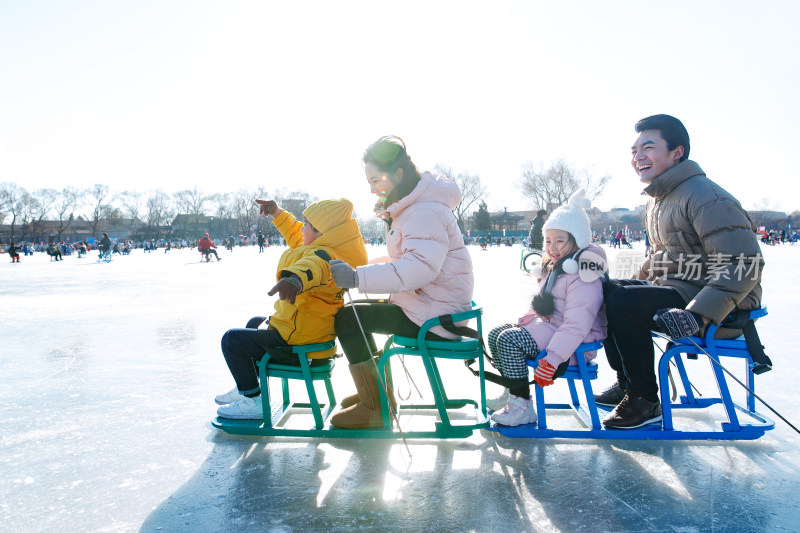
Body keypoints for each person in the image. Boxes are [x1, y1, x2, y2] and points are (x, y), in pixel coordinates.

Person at [597, 114, 764, 429]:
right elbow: (662, 257)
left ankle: (645, 399)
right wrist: (626, 286)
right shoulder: (660, 199)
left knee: (624, 302)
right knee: (605, 290)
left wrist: (699, 314)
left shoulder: (704, 196)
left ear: (677, 152)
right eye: (634, 151)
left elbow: (744, 264)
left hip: (721, 305)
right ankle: (629, 383)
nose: (638, 157)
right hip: (682, 289)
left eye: (648, 147)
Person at [327, 135, 474, 429]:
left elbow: (418, 268)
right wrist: (362, 270)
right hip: (431, 305)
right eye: (368, 182)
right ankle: (378, 393)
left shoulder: (423, 212)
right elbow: (405, 260)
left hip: (435, 316)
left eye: (376, 180)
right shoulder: (414, 208)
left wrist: (358, 278)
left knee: (349, 318)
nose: (372, 189)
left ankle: (375, 406)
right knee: (356, 312)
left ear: (398, 174)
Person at [215, 198, 369, 419]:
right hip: (311, 333)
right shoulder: (330, 245)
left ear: (321, 232)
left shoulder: (325, 256)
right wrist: (278, 213)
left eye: (306, 225)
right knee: (254, 322)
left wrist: (295, 279)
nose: (302, 228)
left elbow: (315, 267)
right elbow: (299, 237)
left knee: (231, 340)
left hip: (298, 345)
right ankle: (247, 386)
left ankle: (254, 400)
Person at [487, 190, 607, 426]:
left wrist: (553, 358)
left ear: (578, 240)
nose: (552, 247)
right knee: (496, 335)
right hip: (553, 330)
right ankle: (513, 389)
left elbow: (577, 323)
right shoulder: (559, 267)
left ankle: (522, 405)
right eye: (548, 241)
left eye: (560, 241)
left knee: (509, 341)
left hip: (574, 347)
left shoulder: (583, 273)